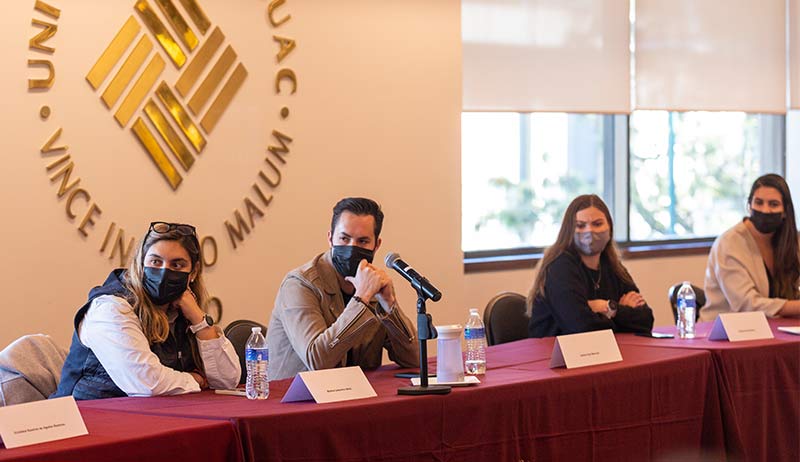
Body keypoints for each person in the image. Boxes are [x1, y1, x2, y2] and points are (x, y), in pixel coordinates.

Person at [52, 222, 240, 400]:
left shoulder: (183, 309)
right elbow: (147, 383)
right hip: (84, 421)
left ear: (193, 273)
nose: (164, 272)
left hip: (152, 420)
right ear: (140, 263)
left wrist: (199, 320)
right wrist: (196, 380)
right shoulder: (110, 307)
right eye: (156, 262)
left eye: (177, 265)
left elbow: (227, 380)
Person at [267, 197, 419, 380]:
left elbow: (415, 358)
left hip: (354, 398)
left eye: (362, 241)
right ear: (330, 238)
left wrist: (390, 305)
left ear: (376, 245)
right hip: (294, 401)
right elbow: (318, 361)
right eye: (344, 238)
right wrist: (361, 299)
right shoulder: (299, 284)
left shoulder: (373, 286)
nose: (351, 248)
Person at [528, 194, 654, 338]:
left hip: (605, 352)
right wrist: (621, 314)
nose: (589, 231)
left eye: (597, 224)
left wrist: (606, 307)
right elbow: (582, 327)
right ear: (569, 230)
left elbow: (645, 321)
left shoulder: (613, 266)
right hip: (554, 355)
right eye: (580, 225)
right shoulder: (560, 267)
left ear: (610, 228)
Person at [699, 174, 800, 321]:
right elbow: (747, 305)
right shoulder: (729, 243)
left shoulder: (793, 240)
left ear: (785, 211)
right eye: (758, 202)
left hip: (776, 330)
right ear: (749, 205)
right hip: (725, 334)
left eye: (773, 204)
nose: (765, 210)